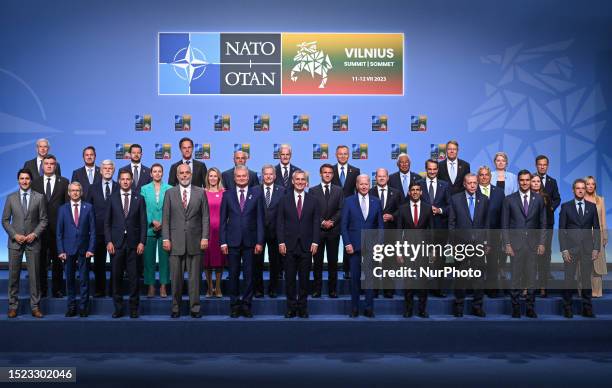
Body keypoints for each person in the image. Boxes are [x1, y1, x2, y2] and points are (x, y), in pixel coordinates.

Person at [162, 164, 210, 318]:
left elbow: (205, 217)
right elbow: (166, 218)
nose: (184, 175)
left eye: (187, 173)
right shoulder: (169, 193)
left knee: (195, 280)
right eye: (181, 173)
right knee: (175, 280)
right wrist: (166, 238)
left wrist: (205, 237)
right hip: (175, 242)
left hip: (196, 242)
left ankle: (195, 309)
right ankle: (175, 308)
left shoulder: (201, 192)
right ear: (177, 176)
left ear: (191, 174)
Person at [2, 169, 48, 318]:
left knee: (34, 277)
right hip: (15, 243)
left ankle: (35, 307)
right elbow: (5, 220)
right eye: (21, 178)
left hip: (33, 242)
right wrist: (15, 235)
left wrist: (34, 234)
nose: (24, 181)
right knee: (13, 276)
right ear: (18, 180)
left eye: (27, 178)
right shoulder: (11, 198)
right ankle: (12, 306)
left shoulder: (39, 197)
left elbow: (44, 220)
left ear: (31, 180)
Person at [220, 165, 264, 318]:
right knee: (233, 275)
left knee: (249, 275)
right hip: (232, 242)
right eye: (238, 176)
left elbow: (260, 220)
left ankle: (246, 305)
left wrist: (259, 242)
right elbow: (222, 221)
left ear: (249, 177)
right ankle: (234, 304)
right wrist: (223, 242)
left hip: (250, 242)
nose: (241, 178)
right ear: (234, 178)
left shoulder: (257, 194)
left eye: (244, 176)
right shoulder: (227, 195)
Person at [502, 170, 546, 318]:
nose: (525, 182)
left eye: (528, 180)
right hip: (515, 245)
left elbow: (543, 223)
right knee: (515, 277)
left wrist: (542, 243)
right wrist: (507, 244)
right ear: (518, 181)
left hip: (533, 245)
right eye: (522, 180)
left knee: (532, 278)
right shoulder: (509, 199)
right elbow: (505, 224)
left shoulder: (539, 199)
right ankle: (515, 308)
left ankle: (530, 308)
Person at [105, 169, 147, 318]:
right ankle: (118, 308)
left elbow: (143, 223)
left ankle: (134, 308)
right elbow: (107, 223)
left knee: (134, 278)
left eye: (128, 179)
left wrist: (142, 242)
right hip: (116, 245)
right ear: (119, 180)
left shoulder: (139, 198)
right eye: (122, 179)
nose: (125, 181)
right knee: (116, 278)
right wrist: (108, 241)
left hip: (134, 245)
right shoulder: (112, 198)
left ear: (132, 181)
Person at [277, 170, 320, 318]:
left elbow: (316, 222)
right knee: (289, 279)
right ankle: (290, 307)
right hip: (288, 245)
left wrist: (315, 241)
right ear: (293, 182)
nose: (301, 182)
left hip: (307, 245)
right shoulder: (284, 199)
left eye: (303, 180)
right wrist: (281, 241)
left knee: (304, 279)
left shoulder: (313, 200)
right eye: (298, 179)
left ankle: (302, 307)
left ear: (306, 183)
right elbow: (280, 222)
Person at [341, 174, 384, 318]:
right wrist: (347, 243)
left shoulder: (377, 202)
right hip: (353, 248)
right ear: (357, 185)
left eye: (366, 184)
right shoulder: (348, 201)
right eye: (361, 184)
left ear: (369, 185)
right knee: (355, 280)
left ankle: (369, 308)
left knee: (369, 280)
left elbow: (380, 226)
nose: (364, 186)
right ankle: (354, 308)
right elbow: (344, 225)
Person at [449, 173, 489, 317]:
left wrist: (486, 243)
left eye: (475, 183)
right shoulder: (455, 199)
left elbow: (486, 224)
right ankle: (458, 306)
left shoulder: (484, 200)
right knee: (460, 277)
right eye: (470, 183)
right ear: (464, 184)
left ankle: (477, 306)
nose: (472, 185)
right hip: (461, 245)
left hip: (479, 245)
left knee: (478, 278)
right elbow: (452, 224)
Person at [559, 178, 600, 318]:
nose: (581, 190)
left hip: (587, 249)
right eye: (578, 188)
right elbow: (561, 230)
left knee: (586, 280)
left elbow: (597, 230)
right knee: (569, 279)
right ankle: (567, 308)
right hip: (570, 250)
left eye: (583, 188)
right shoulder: (566, 207)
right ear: (573, 190)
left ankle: (587, 308)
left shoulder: (592, 206)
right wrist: (564, 250)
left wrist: (596, 248)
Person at [31, 155, 69, 298]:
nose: (49, 166)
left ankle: (57, 289)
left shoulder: (64, 182)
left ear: (55, 166)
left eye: (52, 164)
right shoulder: (35, 183)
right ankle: (42, 289)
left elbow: (66, 207)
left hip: (57, 229)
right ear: (42, 166)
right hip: (39, 229)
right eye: (46, 163)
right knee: (40, 261)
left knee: (58, 261)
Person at [56, 182, 96, 317]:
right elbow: (59, 233)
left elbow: (93, 231)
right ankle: (71, 306)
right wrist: (60, 250)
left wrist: (91, 248)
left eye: (77, 190)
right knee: (70, 280)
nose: (75, 193)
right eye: (72, 190)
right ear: (68, 193)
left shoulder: (89, 208)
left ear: (81, 192)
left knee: (84, 279)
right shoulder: (62, 209)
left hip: (84, 250)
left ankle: (84, 307)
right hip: (67, 250)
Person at [397, 181, 433, 318]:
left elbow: (432, 231)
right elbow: (399, 231)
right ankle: (408, 310)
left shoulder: (428, 208)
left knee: (424, 281)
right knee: (408, 281)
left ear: (421, 192)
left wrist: (432, 250)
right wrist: (399, 252)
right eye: (413, 190)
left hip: (424, 249)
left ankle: (422, 310)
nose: (415, 192)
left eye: (418, 189)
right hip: (407, 250)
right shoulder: (402, 209)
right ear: (409, 192)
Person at [310, 164, 344, 298]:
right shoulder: (313, 190)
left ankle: (332, 290)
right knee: (317, 263)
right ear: (320, 174)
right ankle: (317, 289)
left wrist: (332, 222)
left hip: (333, 231)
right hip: (317, 231)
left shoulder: (339, 190)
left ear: (333, 174)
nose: (328, 174)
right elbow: (312, 210)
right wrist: (322, 222)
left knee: (333, 262)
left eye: (330, 172)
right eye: (325, 172)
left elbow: (341, 209)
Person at [419, 159, 452, 297]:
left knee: (439, 260)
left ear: (438, 170)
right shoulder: (418, 184)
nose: (432, 171)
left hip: (440, 228)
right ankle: (423, 291)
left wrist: (439, 210)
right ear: (426, 169)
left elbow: (451, 206)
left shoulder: (445, 185)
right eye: (429, 169)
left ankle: (439, 289)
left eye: (434, 169)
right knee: (422, 260)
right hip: (423, 228)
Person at [86, 159, 118, 297]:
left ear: (113, 170)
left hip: (116, 231)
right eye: (105, 168)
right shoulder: (92, 188)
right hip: (98, 231)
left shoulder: (120, 187)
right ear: (100, 170)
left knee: (116, 264)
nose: (107, 170)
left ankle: (113, 290)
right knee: (99, 263)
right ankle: (100, 289)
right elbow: (87, 209)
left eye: (110, 168)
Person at [140, 163, 172, 298]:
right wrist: (152, 221)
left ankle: (164, 286)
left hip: (165, 229)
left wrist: (163, 223)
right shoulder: (144, 189)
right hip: (149, 228)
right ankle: (151, 286)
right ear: (151, 174)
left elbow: (172, 209)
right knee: (148, 260)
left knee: (165, 260)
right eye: (155, 171)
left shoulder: (170, 188)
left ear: (162, 173)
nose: (157, 173)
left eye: (159, 171)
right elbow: (142, 209)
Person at [370, 167, 401, 298]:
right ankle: (375, 290)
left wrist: (393, 216)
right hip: (374, 232)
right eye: (379, 176)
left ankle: (389, 290)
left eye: (384, 176)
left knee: (389, 262)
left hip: (390, 231)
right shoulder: (369, 192)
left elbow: (402, 210)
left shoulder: (397, 193)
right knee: (375, 262)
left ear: (388, 178)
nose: (381, 178)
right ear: (375, 178)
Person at [330, 145, 360, 279]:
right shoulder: (330, 170)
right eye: (340, 154)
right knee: (334, 242)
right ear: (336, 155)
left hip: (350, 211)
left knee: (349, 240)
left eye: (345, 154)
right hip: (333, 211)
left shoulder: (355, 171)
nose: (343, 156)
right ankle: (334, 269)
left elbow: (358, 191)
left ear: (349, 155)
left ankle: (347, 269)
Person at [255, 165, 284, 298]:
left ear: (275, 176)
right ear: (262, 175)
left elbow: (284, 214)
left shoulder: (282, 191)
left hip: (276, 233)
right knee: (257, 263)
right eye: (265, 174)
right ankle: (259, 289)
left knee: (275, 264)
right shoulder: (254, 191)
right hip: (257, 234)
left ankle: (273, 289)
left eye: (271, 174)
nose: (268, 176)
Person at [477, 166, 505, 298]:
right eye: (481, 175)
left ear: (490, 176)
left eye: (486, 175)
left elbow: (502, 214)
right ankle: (477, 290)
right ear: (478, 177)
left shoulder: (499, 192)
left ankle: (492, 289)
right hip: (476, 233)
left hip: (494, 233)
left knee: (493, 262)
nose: (484, 177)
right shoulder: (472, 190)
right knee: (477, 262)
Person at [535, 155, 561, 288]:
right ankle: (534, 272)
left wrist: (551, 207)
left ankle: (546, 272)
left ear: (547, 166)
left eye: (544, 164)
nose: (542, 166)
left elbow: (557, 198)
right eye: (540, 164)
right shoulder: (531, 179)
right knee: (534, 248)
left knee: (547, 248)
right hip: (533, 222)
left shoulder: (553, 181)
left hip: (548, 220)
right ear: (536, 165)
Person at [203, 167, 226, 298]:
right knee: (207, 261)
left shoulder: (225, 193)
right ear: (207, 178)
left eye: (215, 176)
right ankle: (209, 287)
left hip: (220, 232)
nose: (212, 178)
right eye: (210, 176)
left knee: (219, 261)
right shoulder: (202, 193)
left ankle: (218, 287)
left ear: (219, 178)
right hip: (206, 232)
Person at [530, 174, 554, 297]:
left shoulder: (546, 198)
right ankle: (528, 288)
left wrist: (545, 238)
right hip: (530, 235)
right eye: (533, 181)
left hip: (544, 234)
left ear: (541, 183)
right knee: (530, 262)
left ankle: (543, 287)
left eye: (538, 181)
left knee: (543, 262)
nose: (535, 183)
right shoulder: (526, 198)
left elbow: (549, 218)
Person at [584, 176, 608, 297]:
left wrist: (605, 236)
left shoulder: (600, 200)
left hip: (598, 236)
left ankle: (597, 292)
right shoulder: (580, 199)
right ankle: (584, 291)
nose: (590, 186)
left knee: (597, 265)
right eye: (588, 184)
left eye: (592, 184)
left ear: (595, 186)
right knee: (583, 264)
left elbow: (603, 219)